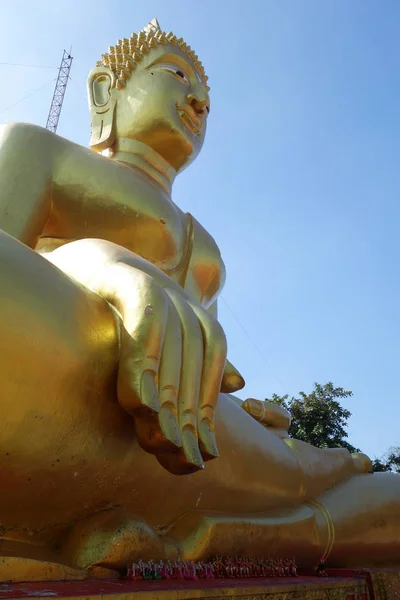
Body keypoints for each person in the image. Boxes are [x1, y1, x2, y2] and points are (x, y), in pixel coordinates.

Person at [0, 19, 399, 582]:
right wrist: (98, 261)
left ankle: (233, 537)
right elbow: (10, 270)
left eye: (207, 100)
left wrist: (253, 413)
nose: (196, 101)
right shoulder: (37, 149)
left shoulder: (204, 245)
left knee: (383, 495)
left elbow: (201, 357)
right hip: (80, 376)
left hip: (190, 436)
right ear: (103, 92)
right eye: (177, 75)